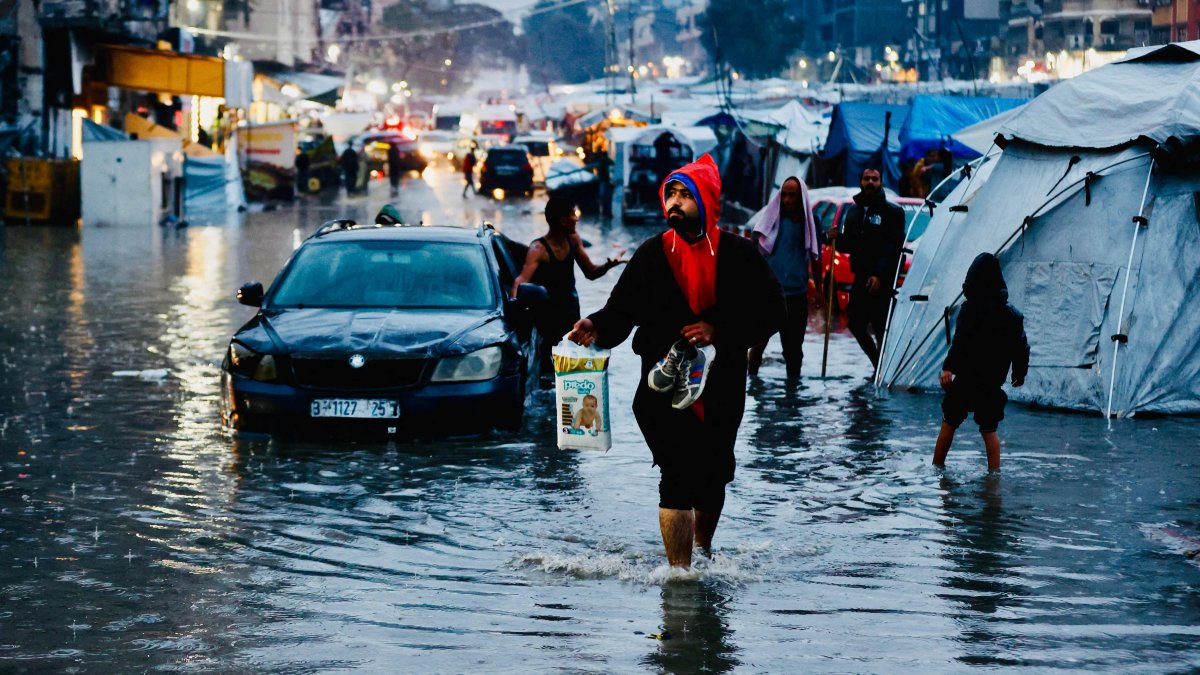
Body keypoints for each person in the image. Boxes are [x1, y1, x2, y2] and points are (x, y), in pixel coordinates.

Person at [568, 154, 785, 568]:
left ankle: (702, 552)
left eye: (686, 194)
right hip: (660, 386)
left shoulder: (740, 254)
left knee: (714, 475)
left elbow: (775, 312)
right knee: (677, 476)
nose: (676, 202)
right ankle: (680, 578)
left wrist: (718, 329)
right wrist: (594, 325)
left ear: (706, 201)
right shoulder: (651, 254)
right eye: (671, 193)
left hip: (720, 386)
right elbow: (621, 311)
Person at [932, 253, 1030, 471]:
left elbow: (960, 343)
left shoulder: (969, 311)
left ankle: (937, 468)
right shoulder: (1012, 316)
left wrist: (948, 367)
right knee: (989, 430)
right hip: (992, 383)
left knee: (949, 422)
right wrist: (1019, 372)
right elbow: (1021, 346)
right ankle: (993, 479)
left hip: (966, 379)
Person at [511, 197, 625, 376]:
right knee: (549, 371)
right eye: (573, 214)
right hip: (547, 321)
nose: (577, 218)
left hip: (572, 317)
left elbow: (591, 272)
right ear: (563, 220)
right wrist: (513, 309)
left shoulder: (573, 240)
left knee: (574, 370)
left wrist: (609, 265)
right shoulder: (538, 249)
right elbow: (520, 283)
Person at [827, 167, 905, 371]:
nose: (870, 182)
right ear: (861, 182)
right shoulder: (855, 211)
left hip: (883, 279)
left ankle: (885, 370)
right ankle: (878, 364)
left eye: (875, 179)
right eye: (866, 179)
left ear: (881, 183)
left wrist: (878, 274)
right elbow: (850, 244)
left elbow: (892, 247)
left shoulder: (893, 212)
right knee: (855, 322)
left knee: (881, 326)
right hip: (860, 276)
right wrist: (836, 238)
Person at [747, 176, 823, 379]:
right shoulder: (771, 221)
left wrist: (820, 291)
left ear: (801, 198)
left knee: (793, 349)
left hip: (797, 294)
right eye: (785, 195)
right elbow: (755, 253)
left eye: (792, 196)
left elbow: (816, 257)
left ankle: (793, 396)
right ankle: (750, 383)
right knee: (758, 343)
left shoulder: (811, 223)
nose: (787, 200)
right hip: (769, 293)